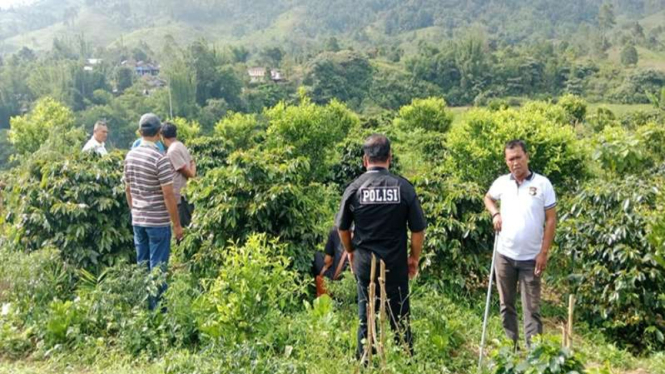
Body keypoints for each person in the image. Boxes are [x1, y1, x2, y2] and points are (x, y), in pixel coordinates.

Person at [336, 134, 427, 360]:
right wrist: (413, 258)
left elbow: (342, 228)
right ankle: (405, 359)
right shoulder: (404, 188)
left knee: (366, 316)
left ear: (365, 160)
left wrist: (350, 251)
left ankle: (366, 360)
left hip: (365, 265)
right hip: (395, 265)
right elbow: (418, 230)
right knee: (400, 317)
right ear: (390, 157)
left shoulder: (354, 188)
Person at [483, 139, 557, 349]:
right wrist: (495, 213)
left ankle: (535, 357)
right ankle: (510, 350)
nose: (515, 163)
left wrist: (543, 253)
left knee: (531, 308)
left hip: (531, 258)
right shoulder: (502, 182)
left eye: (518, 157)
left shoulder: (543, 184)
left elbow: (551, 219)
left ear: (527, 157)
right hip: (504, 255)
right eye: (510, 159)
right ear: (506, 162)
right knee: (506, 305)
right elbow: (488, 198)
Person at [124, 113, 184, 310]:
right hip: (157, 222)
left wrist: (135, 210)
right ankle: (158, 313)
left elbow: (128, 188)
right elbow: (168, 195)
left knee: (143, 265)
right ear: (159, 133)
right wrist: (177, 225)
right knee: (158, 268)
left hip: (138, 220)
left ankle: (144, 309)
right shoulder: (160, 159)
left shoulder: (130, 156)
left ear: (140, 132)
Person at [161, 122, 196, 227]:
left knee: (183, 228)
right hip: (187, 194)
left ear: (162, 136)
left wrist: (192, 176)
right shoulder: (181, 145)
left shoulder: (172, 151)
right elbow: (192, 162)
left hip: (181, 198)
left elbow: (187, 172)